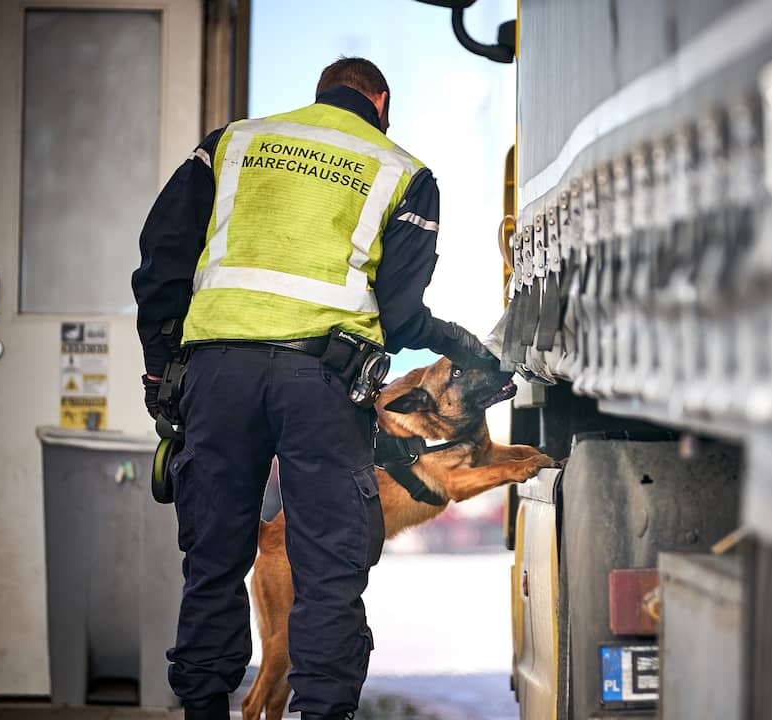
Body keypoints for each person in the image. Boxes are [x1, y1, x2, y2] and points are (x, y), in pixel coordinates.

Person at [131, 56, 498, 720]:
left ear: (321, 94)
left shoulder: (231, 145)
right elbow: (401, 316)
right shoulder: (402, 172)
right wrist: (461, 344)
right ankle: (322, 712)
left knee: (213, 559)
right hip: (323, 382)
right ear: (380, 102)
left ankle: (204, 710)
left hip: (219, 376)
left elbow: (161, 260)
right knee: (328, 568)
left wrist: (162, 371)